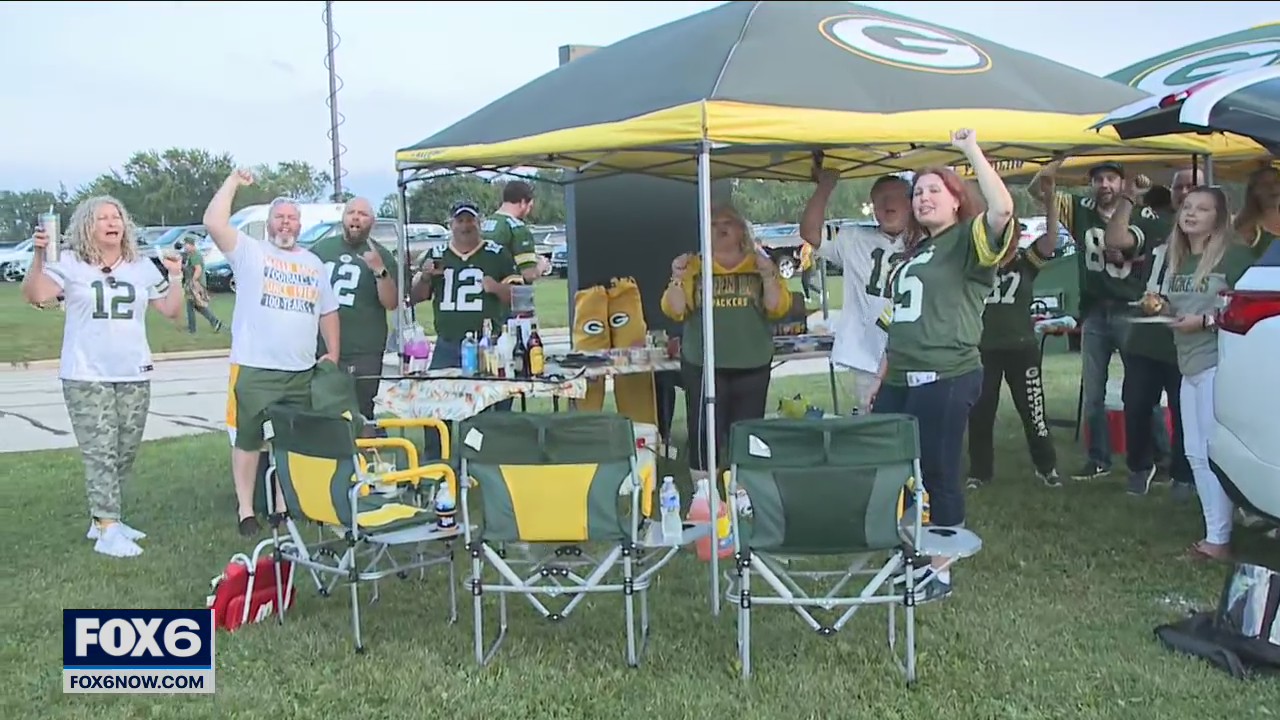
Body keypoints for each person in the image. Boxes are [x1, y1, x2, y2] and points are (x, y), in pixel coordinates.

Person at [870, 129, 1016, 602]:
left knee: (939, 468)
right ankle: (912, 553)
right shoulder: (916, 253)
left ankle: (940, 570)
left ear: (957, 201)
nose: (923, 197)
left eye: (935, 190)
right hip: (900, 375)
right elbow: (898, 325)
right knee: (892, 466)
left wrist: (971, 150)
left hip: (946, 373)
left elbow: (1002, 211)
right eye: (918, 192)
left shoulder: (968, 242)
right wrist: (879, 377)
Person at [21, 196, 184, 557]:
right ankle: (107, 526)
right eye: (102, 218)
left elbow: (172, 311)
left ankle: (104, 520)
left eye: (117, 217)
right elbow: (35, 294)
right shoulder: (69, 263)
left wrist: (175, 276)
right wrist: (38, 256)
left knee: (123, 451)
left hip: (133, 371)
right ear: (86, 226)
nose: (112, 223)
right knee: (100, 451)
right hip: (85, 372)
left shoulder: (140, 266)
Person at [203, 170, 341, 537]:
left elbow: (328, 311)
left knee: (289, 440)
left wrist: (334, 354)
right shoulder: (250, 252)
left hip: (300, 371)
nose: (286, 223)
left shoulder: (313, 264)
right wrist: (231, 181)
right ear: (268, 223)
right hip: (255, 368)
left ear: (300, 225)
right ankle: (246, 509)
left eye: (292, 218)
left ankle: (283, 506)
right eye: (280, 216)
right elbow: (213, 222)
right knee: (248, 439)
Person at [1030, 160, 1170, 481]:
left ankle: (1161, 458)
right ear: (1090, 184)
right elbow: (1037, 189)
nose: (1104, 185)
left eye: (1111, 179)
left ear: (1122, 184)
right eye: (1098, 179)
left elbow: (1162, 251)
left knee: (1141, 389)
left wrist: (1133, 258)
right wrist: (1057, 160)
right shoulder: (1078, 207)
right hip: (1095, 309)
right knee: (1093, 392)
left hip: (1133, 308)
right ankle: (1098, 459)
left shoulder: (1141, 213)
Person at [1149, 186, 1256, 560]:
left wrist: (1207, 320)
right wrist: (1161, 309)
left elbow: (1253, 306)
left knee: (1213, 450)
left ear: (1220, 217)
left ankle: (1219, 537)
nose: (1191, 213)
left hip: (1220, 363)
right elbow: (1172, 305)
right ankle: (1217, 532)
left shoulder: (1235, 256)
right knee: (1195, 451)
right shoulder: (1175, 258)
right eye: (1187, 206)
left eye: (1203, 209)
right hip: (1187, 363)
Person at [661, 205, 792, 487]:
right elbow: (675, 310)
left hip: (752, 362)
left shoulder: (758, 263)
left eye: (728, 222)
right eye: (713, 223)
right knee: (703, 430)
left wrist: (769, 275)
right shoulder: (694, 266)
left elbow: (777, 308)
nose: (720, 228)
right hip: (704, 364)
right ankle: (704, 496)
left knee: (748, 431)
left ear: (741, 229)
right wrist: (677, 276)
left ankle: (743, 492)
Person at [966, 173, 1061, 490]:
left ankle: (1046, 467)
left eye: (1011, 233)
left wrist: (1050, 201)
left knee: (1034, 410)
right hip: (983, 349)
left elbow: (1050, 240)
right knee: (980, 414)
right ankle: (980, 472)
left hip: (1021, 348)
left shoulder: (1025, 262)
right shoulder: (977, 262)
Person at [1105, 167, 1196, 497]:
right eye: (1178, 187)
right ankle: (1140, 467)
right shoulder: (1155, 221)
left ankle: (1184, 475)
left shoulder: (1211, 232)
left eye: (1192, 187)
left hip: (1186, 338)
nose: (1184, 193)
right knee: (1137, 403)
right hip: (1146, 336)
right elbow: (1115, 240)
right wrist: (1128, 196)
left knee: (1184, 409)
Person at [799, 169, 912, 414]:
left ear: (911, 203)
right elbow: (809, 232)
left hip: (914, 352)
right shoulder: (854, 238)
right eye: (881, 199)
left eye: (896, 197)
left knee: (916, 427)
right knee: (874, 425)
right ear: (873, 207)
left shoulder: (927, 241)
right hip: (867, 355)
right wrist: (825, 186)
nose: (888, 203)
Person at [308, 197, 399, 425]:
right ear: (343, 217)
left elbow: (391, 303)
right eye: (351, 212)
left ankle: (365, 457)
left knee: (363, 414)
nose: (356, 217)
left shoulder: (383, 255)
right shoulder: (321, 249)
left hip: (364, 349)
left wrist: (379, 270)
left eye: (363, 214)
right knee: (323, 410)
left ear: (373, 222)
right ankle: (331, 458)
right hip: (323, 346)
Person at [482, 180, 547, 283]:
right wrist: (541, 266)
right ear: (522, 202)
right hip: (507, 292)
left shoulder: (484, 224)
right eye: (529, 206)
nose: (529, 211)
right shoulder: (518, 228)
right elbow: (529, 274)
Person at [1233, 165, 1280, 259]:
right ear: (1254, 190)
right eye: (1265, 184)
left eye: (1277, 182)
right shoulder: (1246, 227)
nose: (1273, 188)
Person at [180, 236, 223, 334]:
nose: (185, 247)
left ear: (191, 245)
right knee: (198, 306)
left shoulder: (195, 255)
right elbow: (190, 269)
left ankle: (192, 329)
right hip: (193, 283)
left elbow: (198, 269)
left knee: (191, 305)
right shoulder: (191, 255)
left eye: (186, 245)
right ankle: (214, 322)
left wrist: (194, 281)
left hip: (195, 284)